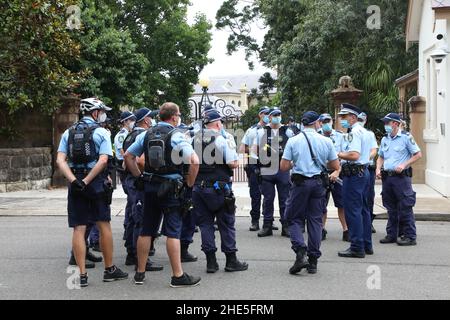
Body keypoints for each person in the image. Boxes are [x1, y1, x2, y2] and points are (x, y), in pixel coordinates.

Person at [124, 102, 201, 287]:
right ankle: (177, 276)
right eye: (179, 115)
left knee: (146, 230)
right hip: (171, 188)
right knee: (173, 232)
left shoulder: (146, 134)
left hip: (150, 186)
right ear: (174, 117)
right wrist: (189, 185)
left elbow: (128, 156)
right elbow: (194, 161)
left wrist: (139, 177)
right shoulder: (177, 135)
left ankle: (140, 274)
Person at [57, 97, 128, 287]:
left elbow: (60, 160)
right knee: (103, 224)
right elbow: (104, 159)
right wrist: (88, 180)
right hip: (95, 182)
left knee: (79, 228)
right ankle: (109, 269)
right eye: (102, 111)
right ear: (95, 112)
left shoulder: (68, 132)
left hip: (76, 182)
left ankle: (81, 275)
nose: (103, 114)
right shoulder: (101, 132)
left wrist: (74, 181)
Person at [281, 111, 340, 274]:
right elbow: (335, 165)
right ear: (317, 123)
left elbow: (283, 167)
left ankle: (301, 252)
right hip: (319, 183)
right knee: (315, 220)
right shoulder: (326, 141)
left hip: (300, 184)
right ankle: (313, 261)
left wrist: (296, 162)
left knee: (293, 218)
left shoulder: (293, 141)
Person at [192, 109, 248, 273]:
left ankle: (211, 262)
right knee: (226, 224)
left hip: (198, 188)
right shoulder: (221, 139)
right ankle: (231, 260)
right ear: (217, 123)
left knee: (205, 225)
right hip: (219, 189)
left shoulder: (193, 139)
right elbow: (233, 163)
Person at [122, 108, 163, 271]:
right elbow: (138, 160)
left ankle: (131, 254)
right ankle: (140, 259)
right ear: (146, 120)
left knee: (134, 216)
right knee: (142, 220)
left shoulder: (129, 135)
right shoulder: (143, 135)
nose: (152, 121)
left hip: (130, 180)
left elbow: (125, 161)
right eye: (151, 118)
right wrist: (142, 176)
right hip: (138, 181)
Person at [376, 113, 422, 246]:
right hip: (388, 178)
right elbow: (380, 156)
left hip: (401, 178)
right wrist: (378, 168)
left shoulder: (406, 137)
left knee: (405, 206)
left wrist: (404, 164)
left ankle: (409, 236)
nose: (385, 126)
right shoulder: (385, 139)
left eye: (387, 123)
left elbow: (418, 154)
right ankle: (392, 234)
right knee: (390, 207)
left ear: (395, 124)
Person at [336, 103, 373, 258]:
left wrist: (337, 153)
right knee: (363, 210)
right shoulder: (364, 131)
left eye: (344, 117)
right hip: (362, 173)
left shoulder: (354, 133)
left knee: (353, 211)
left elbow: (354, 155)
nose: (341, 120)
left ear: (352, 117)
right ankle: (366, 244)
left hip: (353, 175)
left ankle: (357, 246)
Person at [254, 108, 291, 238]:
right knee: (268, 199)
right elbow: (255, 150)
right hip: (267, 169)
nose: (277, 117)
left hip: (283, 168)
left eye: (279, 114)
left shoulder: (288, 131)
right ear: (269, 117)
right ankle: (267, 226)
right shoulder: (261, 132)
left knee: (285, 199)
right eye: (274, 115)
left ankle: (286, 226)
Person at [239, 106, 270, 231]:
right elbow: (242, 148)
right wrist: (254, 148)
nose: (268, 116)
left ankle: (268, 221)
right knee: (255, 194)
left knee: (269, 195)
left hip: (269, 162)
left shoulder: (274, 130)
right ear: (260, 115)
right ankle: (255, 221)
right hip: (254, 162)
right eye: (265, 113)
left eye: (269, 113)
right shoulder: (251, 130)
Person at [319, 113, 348, 242]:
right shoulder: (316, 136)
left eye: (328, 121)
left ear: (332, 121)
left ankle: (346, 230)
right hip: (322, 173)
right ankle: (321, 229)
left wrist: (337, 171)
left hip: (338, 173)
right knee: (321, 204)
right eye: (323, 121)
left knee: (341, 204)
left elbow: (344, 156)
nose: (326, 124)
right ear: (319, 123)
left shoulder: (341, 136)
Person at [357, 112, 379, 233]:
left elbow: (374, 150)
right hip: (354, 170)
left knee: (368, 196)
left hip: (367, 168)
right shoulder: (350, 134)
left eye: (361, 119)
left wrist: (365, 159)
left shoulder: (369, 134)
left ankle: (368, 222)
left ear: (365, 120)